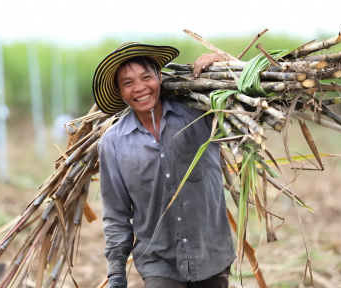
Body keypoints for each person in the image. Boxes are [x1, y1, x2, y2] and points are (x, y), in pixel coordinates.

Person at [93, 42, 235, 288]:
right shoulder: (113, 143)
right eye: (127, 83)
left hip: (211, 251)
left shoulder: (201, 114)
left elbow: (248, 98)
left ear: (159, 76)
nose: (139, 88)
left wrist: (225, 63)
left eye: (146, 77)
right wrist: (116, 271)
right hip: (158, 261)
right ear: (119, 91)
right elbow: (116, 213)